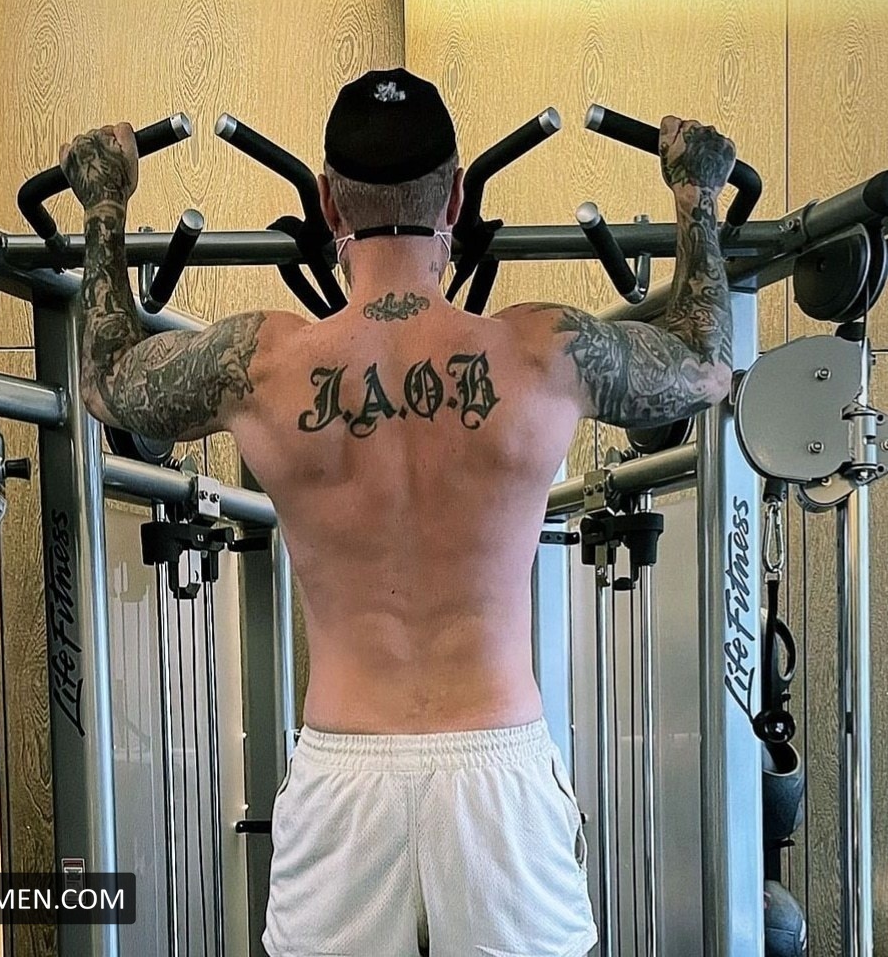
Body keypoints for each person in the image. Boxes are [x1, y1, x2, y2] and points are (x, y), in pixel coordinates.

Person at [61, 68, 735, 957]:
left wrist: (105, 204)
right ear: (455, 196)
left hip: (345, 774)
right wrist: (695, 194)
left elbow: (108, 381)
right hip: (499, 779)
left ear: (325, 203)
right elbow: (703, 364)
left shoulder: (260, 362)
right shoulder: (542, 348)